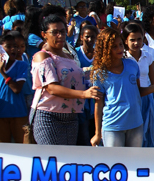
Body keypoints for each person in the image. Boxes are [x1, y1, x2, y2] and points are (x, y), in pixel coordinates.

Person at [30, 15, 102, 145]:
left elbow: (78, 78)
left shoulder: (69, 55)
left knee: (66, 157)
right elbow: (52, 88)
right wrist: (84, 94)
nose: (60, 35)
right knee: (52, 156)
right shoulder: (42, 56)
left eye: (62, 31)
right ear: (44, 34)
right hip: (49, 116)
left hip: (71, 117)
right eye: (54, 32)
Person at [89, 28, 154, 147]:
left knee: (135, 158)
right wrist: (97, 133)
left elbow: (137, 92)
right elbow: (99, 104)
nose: (119, 49)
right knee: (115, 159)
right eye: (114, 47)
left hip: (136, 124)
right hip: (112, 126)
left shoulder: (132, 65)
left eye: (120, 44)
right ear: (105, 49)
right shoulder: (100, 73)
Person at [123, 22, 154, 147]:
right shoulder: (123, 59)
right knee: (133, 136)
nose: (136, 43)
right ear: (126, 41)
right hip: (129, 100)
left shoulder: (148, 56)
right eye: (132, 40)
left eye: (139, 39)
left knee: (148, 135)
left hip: (146, 99)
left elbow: (153, 81)